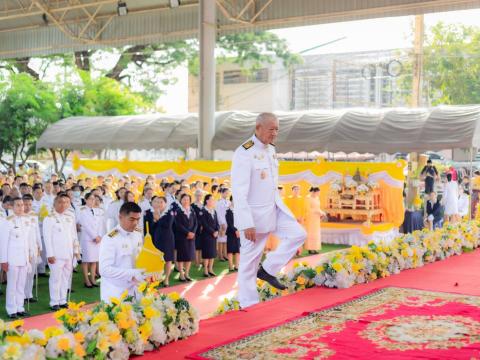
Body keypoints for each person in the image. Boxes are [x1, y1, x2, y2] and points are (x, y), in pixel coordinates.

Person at [231, 112, 306, 309]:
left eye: (277, 130)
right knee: (249, 262)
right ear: (258, 128)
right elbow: (239, 192)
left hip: (274, 207)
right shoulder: (244, 152)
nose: (274, 133)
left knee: (298, 234)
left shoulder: (271, 149)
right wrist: (246, 223)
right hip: (254, 217)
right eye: (271, 129)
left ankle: (268, 269)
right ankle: (248, 304)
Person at [99, 202, 145, 303]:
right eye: (131, 219)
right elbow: (104, 270)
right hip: (116, 292)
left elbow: (139, 258)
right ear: (120, 217)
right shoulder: (110, 238)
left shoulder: (137, 234)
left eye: (138, 219)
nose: (135, 223)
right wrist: (133, 273)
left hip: (136, 290)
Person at [43, 193, 81, 310]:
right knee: (55, 278)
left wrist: (76, 250)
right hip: (56, 254)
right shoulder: (49, 218)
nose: (63, 205)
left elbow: (74, 236)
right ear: (54, 203)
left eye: (66, 202)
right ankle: (54, 302)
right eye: (60, 202)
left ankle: (62, 300)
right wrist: (50, 254)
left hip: (68, 253)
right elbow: (47, 238)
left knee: (66, 277)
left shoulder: (69, 217)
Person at [0, 198, 32, 318]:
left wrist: (28, 258)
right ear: (12, 207)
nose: (21, 207)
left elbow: (26, 242)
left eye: (22, 205)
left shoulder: (26, 220)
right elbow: (3, 243)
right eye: (18, 205)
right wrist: (3, 261)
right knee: (12, 285)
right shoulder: (7, 222)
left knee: (21, 285)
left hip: (23, 258)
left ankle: (20, 307)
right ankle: (11, 309)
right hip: (12, 259)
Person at [144, 196, 175, 286]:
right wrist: (154, 219)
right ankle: (157, 278)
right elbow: (151, 227)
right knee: (158, 259)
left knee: (168, 259)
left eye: (161, 202)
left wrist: (158, 219)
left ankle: (166, 279)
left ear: (165, 204)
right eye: (157, 202)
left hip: (168, 238)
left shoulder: (170, 212)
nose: (159, 204)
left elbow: (168, 225)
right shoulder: (151, 213)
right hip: (156, 238)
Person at [77, 193, 104, 288]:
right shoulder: (82, 210)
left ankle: (93, 279)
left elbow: (100, 224)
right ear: (86, 199)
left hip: (97, 239)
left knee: (94, 260)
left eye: (94, 199)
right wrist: (94, 236)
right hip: (87, 238)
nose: (92, 201)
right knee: (86, 260)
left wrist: (100, 236)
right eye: (90, 199)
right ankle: (86, 280)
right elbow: (85, 224)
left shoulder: (96, 210)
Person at [22, 194, 42, 303]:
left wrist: (40, 246)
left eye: (30, 204)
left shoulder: (34, 215)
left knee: (31, 273)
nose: (28, 206)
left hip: (34, 247)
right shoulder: (19, 216)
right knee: (24, 273)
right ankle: (22, 296)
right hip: (24, 249)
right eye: (25, 204)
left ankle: (29, 294)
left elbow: (37, 231)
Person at [174, 193, 197, 282]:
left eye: (188, 199)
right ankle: (181, 275)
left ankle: (187, 274)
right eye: (184, 199)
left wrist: (193, 232)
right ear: (181, 200)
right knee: (181, 256)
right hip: (182, 237)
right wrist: (187, 232)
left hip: (191, 237)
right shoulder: (178, 211)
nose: (186, 201)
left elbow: (196, 223)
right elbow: (177, 224)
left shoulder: (192, 210)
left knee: (189, 256)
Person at [199, 194, 220, 277]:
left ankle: (211, 269)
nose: (213, 201)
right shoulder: (203, 211)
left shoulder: (214, 211)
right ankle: (205, 271)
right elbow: (204, 223)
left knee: (212, 253)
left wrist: (217, 230)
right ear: (207, 201)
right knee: (207, 253)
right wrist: (212, 232)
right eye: (211, 199)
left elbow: (217, 223)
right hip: (206, 235)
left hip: (214, 235)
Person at [304, 187, 326, 254]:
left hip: (316, 218)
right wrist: (317, 211)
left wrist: (322, 212)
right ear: (313, 191)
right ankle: (310, 249)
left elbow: (318, 208)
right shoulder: (307, 198)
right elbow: (307, 209)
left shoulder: (317, 198)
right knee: (310, 233)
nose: (319, 193)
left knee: (316, 233)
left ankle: (315, 248)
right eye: (317, 192)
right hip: (310, 218)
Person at [225, 196, 240, 271]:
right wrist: (235, 230)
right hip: (231, 232)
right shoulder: (228, 211)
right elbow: (229, 223)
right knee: (230, 250)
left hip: (239, 232)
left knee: (238, 250)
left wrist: (239, 230)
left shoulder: (239, 210)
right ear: (231, 201)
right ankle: (230, 266)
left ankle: (237, 265)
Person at [216, 188, 230, 261]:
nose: (227, 194)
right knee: (220, 239)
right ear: (222, 193)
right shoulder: (219, 202)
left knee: (225, 239)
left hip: (228, 222)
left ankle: (225, 254)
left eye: (228, 193)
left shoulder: (228, 201)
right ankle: (220, 255)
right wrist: (221, 223)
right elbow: (219, 213)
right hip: (222, 222)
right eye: (226, 193)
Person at [191, 190, 204, 266]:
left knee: (201, 245)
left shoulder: (203, 205)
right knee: (196, 245)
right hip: (196, 227)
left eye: (200, 195)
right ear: (195, 196)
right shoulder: (192, 205)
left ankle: (201, 260)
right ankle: (196, 261)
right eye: (197, 195)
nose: (199, 197)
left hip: (204, 227)